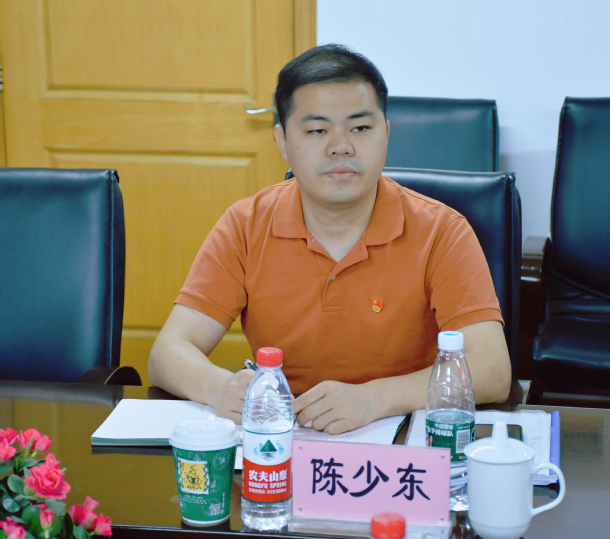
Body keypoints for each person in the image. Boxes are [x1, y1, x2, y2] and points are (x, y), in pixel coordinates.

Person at [148, 44, 511, 434]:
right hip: (284, 438)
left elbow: (492, 368)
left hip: (405, 441)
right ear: (282, 141)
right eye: (317, 130)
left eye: (360, 128)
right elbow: (168, 352)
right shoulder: (245, 225)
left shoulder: (442, 231)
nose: (341, 146)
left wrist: (374, 398)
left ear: (386, 134)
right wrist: (220, 388)